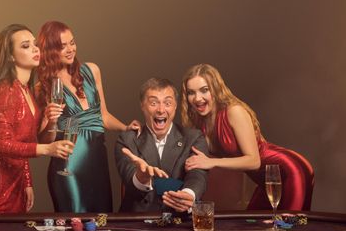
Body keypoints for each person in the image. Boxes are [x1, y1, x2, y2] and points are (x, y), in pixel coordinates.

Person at [0, 24, 74, 214]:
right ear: (11, 56)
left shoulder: (27, 91)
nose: (34, 49)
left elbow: (30, 142)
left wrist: (52, 121)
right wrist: (47, 149)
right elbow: (2, 144)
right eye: (25, 46)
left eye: (35, 44)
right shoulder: (5, 91)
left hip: (15, 181)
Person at [36, 21, 140, 213]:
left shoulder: (91, 70)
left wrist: (125, 128)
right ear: (50, 51)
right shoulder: (43, 87)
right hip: (68, 167)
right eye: (62, 46)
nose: (70, 49)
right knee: (74, 224)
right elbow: (45, 141)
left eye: (72, 43)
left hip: (97, 163)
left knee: (101, 223)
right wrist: (51, 121)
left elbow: (103, 116)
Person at [181, 63, 314, 211]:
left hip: (289, 171)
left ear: (216, 88)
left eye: (204, 90)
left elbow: (254, 161)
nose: (197, 98)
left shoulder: (234, 111)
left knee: (289, 228)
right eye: (191, 93)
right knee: (255, 227)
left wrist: (212, 162)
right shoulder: (199, 122)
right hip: (265, 181)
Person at [115, 78, 209, 212]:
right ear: (142, 105)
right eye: (153, 103)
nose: (161, 110)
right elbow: (130, 180)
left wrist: (188, 194)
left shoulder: (194, 138)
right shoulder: (126, 140)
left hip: (180, 220)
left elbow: (197, 175)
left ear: (175, 106)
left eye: (167, 103)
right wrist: (141, 178)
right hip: (137, 221)